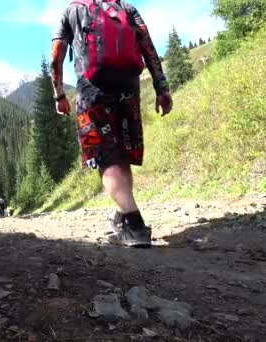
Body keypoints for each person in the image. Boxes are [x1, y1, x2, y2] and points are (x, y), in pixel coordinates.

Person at [50, 0, 173, 248]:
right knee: (122, 156)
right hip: (129, 89)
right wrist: (162, 89)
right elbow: (149, 49)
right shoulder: (127, 10)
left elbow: (56, 58)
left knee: (106, 158)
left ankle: (135, 225)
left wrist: (59, 94)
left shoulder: (72, 10)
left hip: (92, 90)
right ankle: (124, 217)